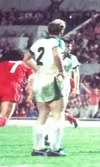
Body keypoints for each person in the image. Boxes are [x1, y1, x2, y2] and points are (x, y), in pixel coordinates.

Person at [23, 19, 67, 156]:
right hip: (51, 80)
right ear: (61, 30)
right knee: (57, 114)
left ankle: (37, 147)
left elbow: (26, 58)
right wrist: (61, 71)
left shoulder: (39, 42)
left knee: (42, 114)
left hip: (39, 80)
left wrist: (39, 69)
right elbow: (56, 55)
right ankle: (55, 148)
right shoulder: (58, 42)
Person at [44, 38, 80, 147]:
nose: (68, 48)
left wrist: (76, 87)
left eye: (70, 46)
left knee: (57, 111)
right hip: (52, 85)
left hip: (64, 86)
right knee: (52, 110)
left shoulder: (72, 58)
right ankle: (50, 136)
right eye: (67, 46)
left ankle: (50, 136)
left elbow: (76, 73)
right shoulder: (54, 56)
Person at [0, 49, 34, 127]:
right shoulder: (23, 64)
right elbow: (32, 77)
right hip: (11, 88)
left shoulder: (2, 63)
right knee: (4, 118)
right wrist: (30, 94)